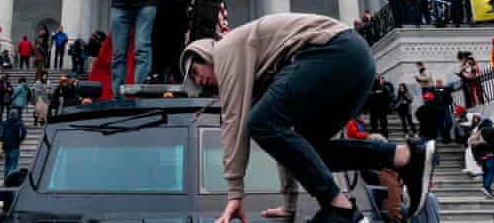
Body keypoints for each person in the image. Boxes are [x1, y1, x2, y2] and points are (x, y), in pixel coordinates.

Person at [180, 13, 436, 222]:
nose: (199, 80)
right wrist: (290, 205)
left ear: (205, 54)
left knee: (259, 122)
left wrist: (235, 194)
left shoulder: (227, 50)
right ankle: (404, 156)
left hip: (334, 51)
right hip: (356, 61)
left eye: (195, 71)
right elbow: (287, 147)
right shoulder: (258, 71)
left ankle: (340, 208)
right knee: (311, 148)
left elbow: (234, 125)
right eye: (194, 82)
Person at [473, 117, 494, 199]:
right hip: (489, 154)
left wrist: (476, 158)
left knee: (485, 172)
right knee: (492, 172)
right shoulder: (491, 130)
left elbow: (473, 145)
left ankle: (488, 192)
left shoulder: (478, 131)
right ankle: (485, 187)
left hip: (480, 156)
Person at [1, 109, 28, 181]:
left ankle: (5, 179)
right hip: (14, 146)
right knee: (13, 164)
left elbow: (0, 134)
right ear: (17, 115)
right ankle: (9, 180)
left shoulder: (4, 123)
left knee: (7, 164)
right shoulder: (19, 123)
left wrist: (3, 141)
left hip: (6, 146)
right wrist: (19, 140)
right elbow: (24, 133)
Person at [368, 73, 391, 139]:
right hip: (373, 107)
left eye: (377, 76)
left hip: (382, 107)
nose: (376, 77)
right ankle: (375, 138)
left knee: (383, 123)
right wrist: (375, 92)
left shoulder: (384, 85)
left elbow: (388, 95)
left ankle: (385, 137)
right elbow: (369, 93)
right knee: (373, 124)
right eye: (375, 75)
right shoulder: (371, 84)